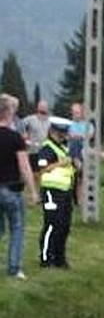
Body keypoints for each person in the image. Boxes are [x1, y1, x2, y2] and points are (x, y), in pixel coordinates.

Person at [0, 94, 40, 279]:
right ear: (8, 113)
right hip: (11, 190)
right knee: (17, 227)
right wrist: (33, 191)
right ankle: (14, 268)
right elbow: (24, 166)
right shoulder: (16, 138)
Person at [36, 117, 76, 269]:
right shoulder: (47, 148)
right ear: (53, 131)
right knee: (52, 224)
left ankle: (60, 258)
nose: (64, 135)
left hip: (65, 192)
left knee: (64, 226)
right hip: (51, 192)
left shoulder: (63, 148)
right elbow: (42, 168)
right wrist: (61, 163)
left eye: (65, 133)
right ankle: (46, 258)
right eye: (61, 133)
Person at [67, 103, 93, 205]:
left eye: (77, 113)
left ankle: (82, 198)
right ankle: (77, 161)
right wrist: (78, 136)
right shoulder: (69, 125)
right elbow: (69, 136)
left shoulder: (88, 125)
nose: (75, 115)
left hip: (84, 153)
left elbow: (89, 135)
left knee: (82, 178)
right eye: (73, 113)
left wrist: (78, 136)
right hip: (72, 154)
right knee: (74, 179)